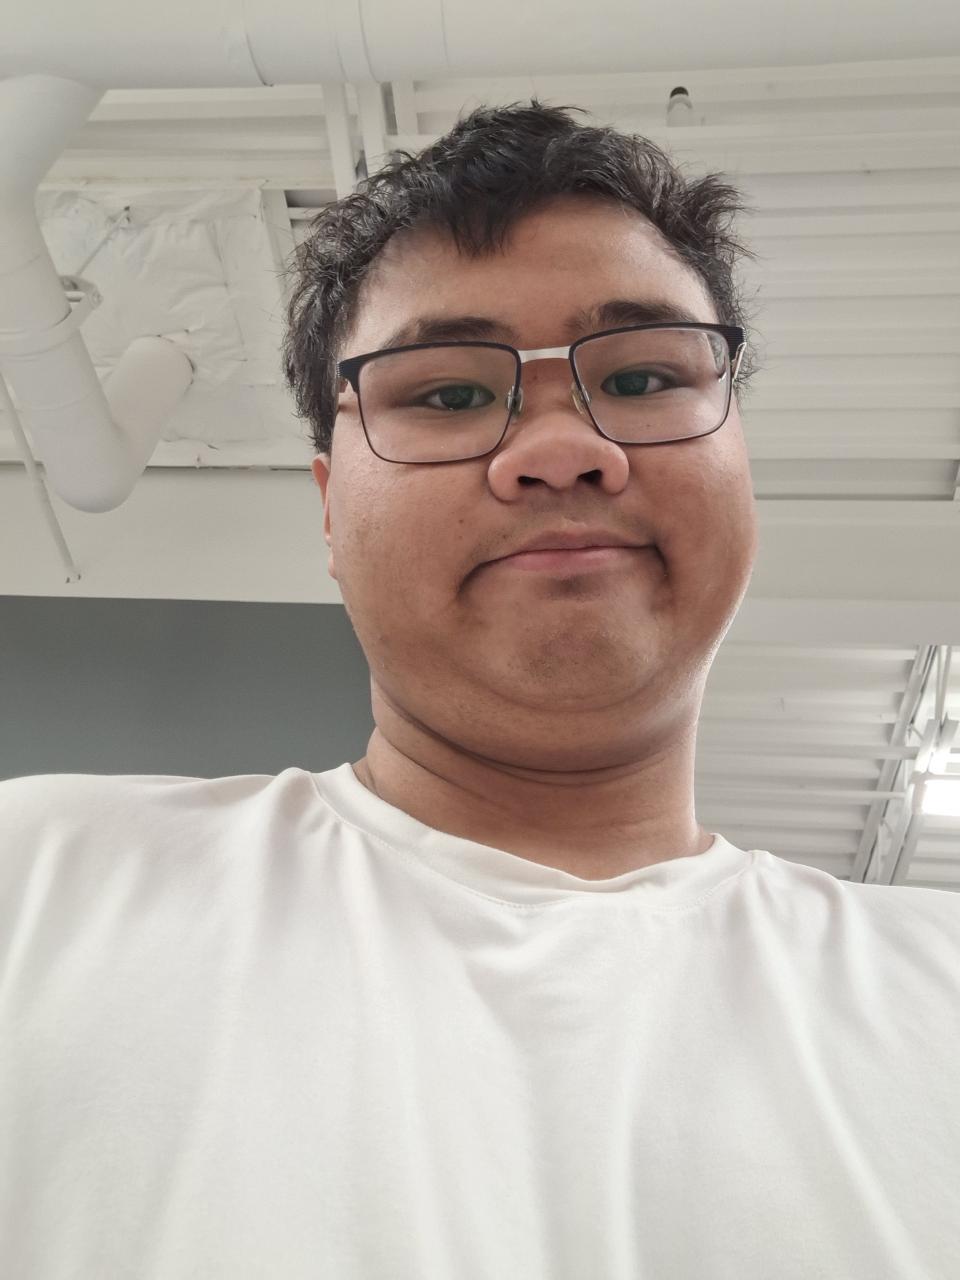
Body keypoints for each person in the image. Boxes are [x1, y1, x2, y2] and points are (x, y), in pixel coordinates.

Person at [1, 100, 957, 1280]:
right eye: (449, 394)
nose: (560, 449)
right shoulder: (37, 889)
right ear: (329, 510)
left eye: (642, 374)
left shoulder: (940, 989)